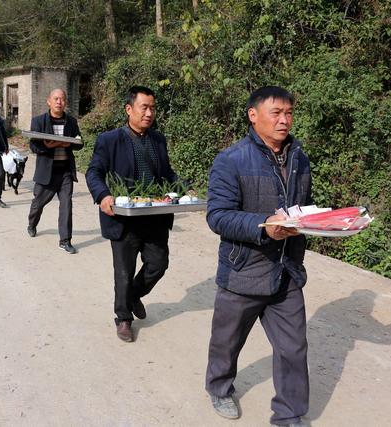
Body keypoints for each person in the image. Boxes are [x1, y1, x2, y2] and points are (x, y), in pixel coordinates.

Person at [204, 86, 312, 426]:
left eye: (289, 113)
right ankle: (219, 388)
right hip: (243, 270)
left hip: (286, 270)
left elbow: (301, 208)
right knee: (227, 341)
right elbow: (217, 216)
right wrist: (263, 225)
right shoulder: (231, 160)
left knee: (293, 349)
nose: (284, 120)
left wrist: (321, 222)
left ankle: (289, 415)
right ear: (253, 115)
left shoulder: (299, 158)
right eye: (276, 113)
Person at [86, 85, 182, 342]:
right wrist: (103, 196)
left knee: (158, 264)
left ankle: (132, 295)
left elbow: (168, 174)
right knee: (124, 272)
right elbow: (93, 172)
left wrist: (185, 188)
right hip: (123, 218)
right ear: (129, 109)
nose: (149, 113)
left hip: (155, 216)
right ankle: (123, 318)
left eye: (152, 108)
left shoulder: (158, 139)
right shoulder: (110, 140)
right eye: (144, 107)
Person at [26, 88, 83, 254]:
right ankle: (32, 224)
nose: (59, 102)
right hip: (47, 172)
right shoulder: (38, 121)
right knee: (39, 202)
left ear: (65, 102)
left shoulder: (71, 122)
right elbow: (33, 145)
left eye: (62, 99)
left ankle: (65, 241)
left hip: (65, 171)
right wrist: (48, 146)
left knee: (66, 205)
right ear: (48, 101)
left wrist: (70, 144)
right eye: (56, 99)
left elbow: (80, 143)